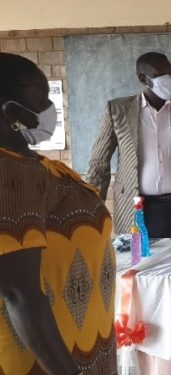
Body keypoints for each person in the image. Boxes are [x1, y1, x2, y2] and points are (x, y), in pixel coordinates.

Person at [0, 53, 116, 374]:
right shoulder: (6, 171)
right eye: (41, 97)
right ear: (10, 110)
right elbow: (18, 293)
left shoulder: (36, 166)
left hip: (84, 344)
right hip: (47, 362)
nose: (49, 107)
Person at [87, 52, 171, 238]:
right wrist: (89, 216)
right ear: (143, 78)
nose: (168, 79)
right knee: (137, 262)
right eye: (161, 74)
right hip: (135, 208)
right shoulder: (118, 111)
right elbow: (99, 165)